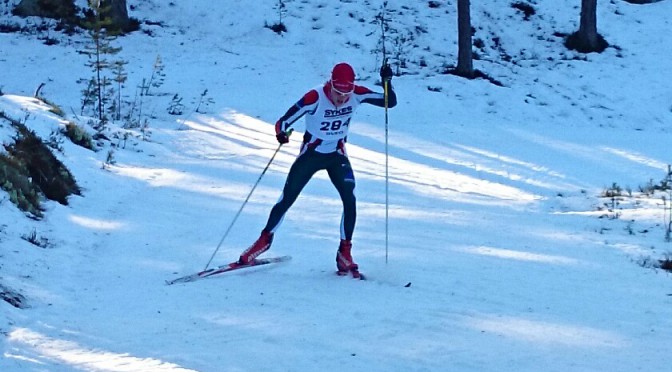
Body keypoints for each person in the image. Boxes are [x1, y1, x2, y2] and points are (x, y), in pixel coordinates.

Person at [239, 61, 397, 276]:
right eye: (338, 93)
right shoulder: (315, 97)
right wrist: (281, 134)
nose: (342, 99)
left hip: (336, 155)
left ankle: (344, 252)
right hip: (311, 155)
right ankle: (263, 241)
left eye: (346, 94)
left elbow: (389, 102)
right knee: (287, 197)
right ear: (330, 85)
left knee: (349, 198)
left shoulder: (356, 94)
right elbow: (283, 121)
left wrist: (387, 81)